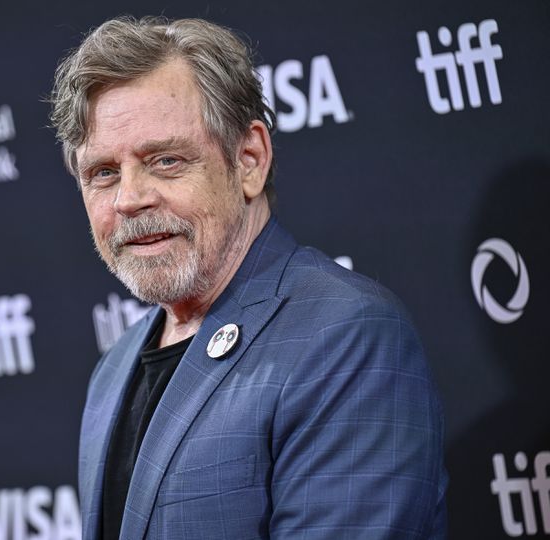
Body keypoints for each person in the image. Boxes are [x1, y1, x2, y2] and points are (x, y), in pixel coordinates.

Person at [50, 16, 448, 540]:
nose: (129, 199)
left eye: (165, 160)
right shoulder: (113, 370)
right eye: (103, 173)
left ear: (249, 160)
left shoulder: (346, 336)